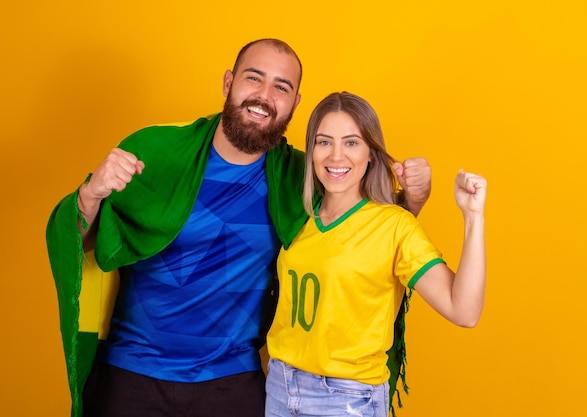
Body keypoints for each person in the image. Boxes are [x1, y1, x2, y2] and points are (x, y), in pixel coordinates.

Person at [45, 40, 432, 417]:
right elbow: (84, 245)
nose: (264, 95)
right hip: (132, 377)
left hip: (233, 384)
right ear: (228, 82)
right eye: (253, 78)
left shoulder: (303, 178)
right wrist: (91, 194)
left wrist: (413, 200)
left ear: (295, 103)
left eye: (281, 86)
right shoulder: (156, 151)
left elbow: (368, 236)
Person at [264, 91, 487, 417]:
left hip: (345, 398)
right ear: (311, 151)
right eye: (324, 142)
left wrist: (473, 217)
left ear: (371, 153)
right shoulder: (298, 217)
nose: (336, 156)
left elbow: (464, 310)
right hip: (281, 387)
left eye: (351, 143)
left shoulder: (395, 225)